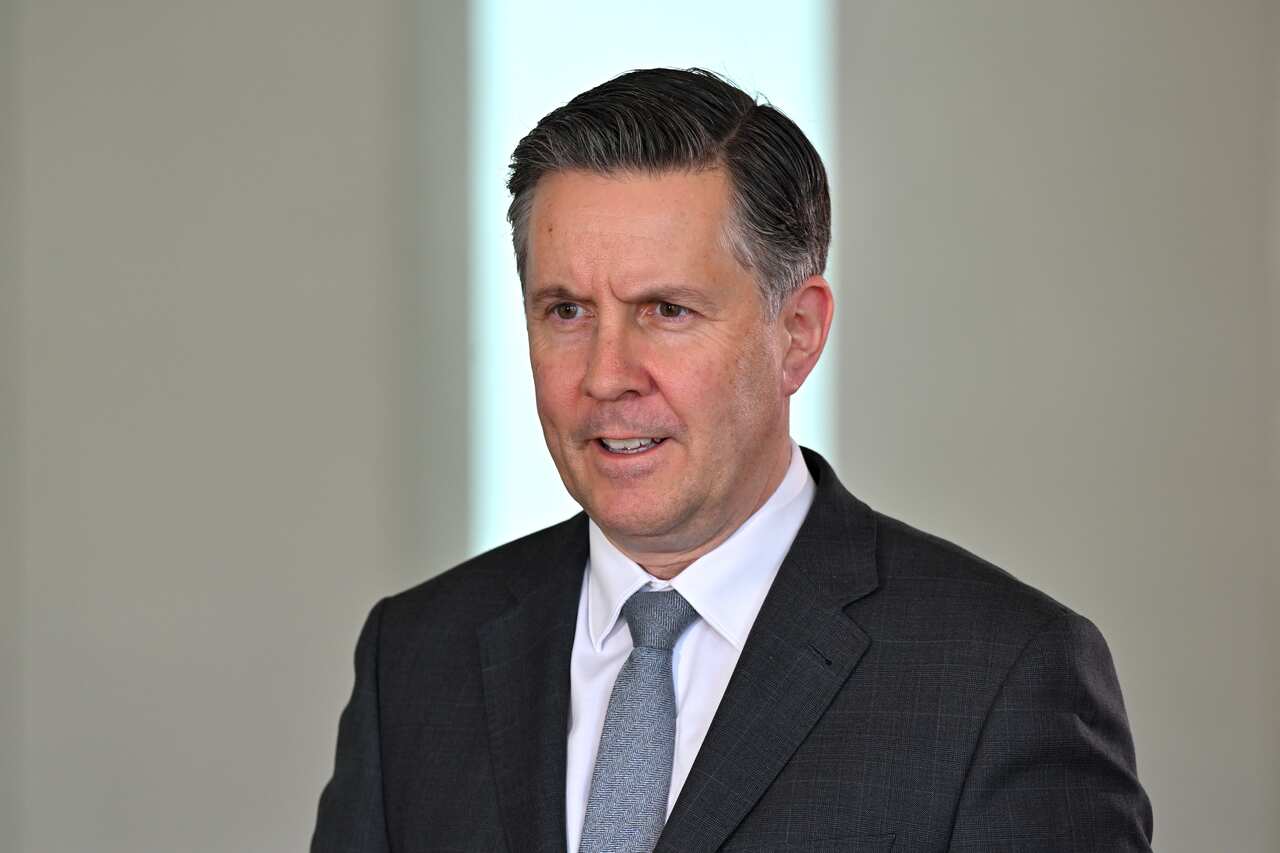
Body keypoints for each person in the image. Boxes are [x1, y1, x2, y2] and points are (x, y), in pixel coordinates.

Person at [312, 68, 1153, 853]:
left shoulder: (1002, 676)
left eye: (667, 310)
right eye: (566, 310)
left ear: (798, 334)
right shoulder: (416, 657)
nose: (606, 375)